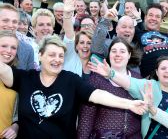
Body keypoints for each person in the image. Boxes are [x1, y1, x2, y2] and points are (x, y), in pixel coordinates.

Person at [0, 34, 147, 139]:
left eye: (61, 56)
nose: (57, 60)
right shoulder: (25, 78)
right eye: (52, 55)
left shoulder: (71, 80)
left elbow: (99, 95)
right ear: (40, 55)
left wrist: (130, 104)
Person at [89, 55, 168, 138]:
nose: (167, 71)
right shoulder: (149, 85)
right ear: (157, 72)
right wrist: (110, 73)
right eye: (163, 68)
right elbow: (129, 82)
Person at [77, 38, 143, 139]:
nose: (117, 54)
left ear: (129, 55)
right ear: (109, 55)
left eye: (122, 51)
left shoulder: (138, 79)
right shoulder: (96, 79)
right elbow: (86, 117)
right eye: (114, 51)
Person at [0, 3, 35, 70]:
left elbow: (29, 78)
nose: (10, 25)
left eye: (14, 22)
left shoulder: (27, 50)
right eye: (5, 20)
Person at [0, 31, 19, 139]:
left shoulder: (17, 77)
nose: (8, 51)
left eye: (13, 47)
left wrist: (15, 126)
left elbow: (18, 113)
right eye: (3, 46)